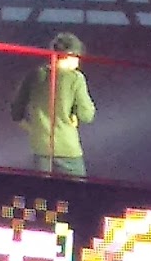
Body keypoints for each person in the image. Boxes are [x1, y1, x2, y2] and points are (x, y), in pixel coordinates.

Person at [9, 32, 97, 177]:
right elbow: (87, 115)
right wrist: (75, 113)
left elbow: (16, 112)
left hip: (41, 149)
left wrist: (34, 129)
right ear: (70, 55)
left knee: (43, 190)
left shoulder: (34, 75)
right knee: (77, 190)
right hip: (67, 149)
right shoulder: (75, 78)